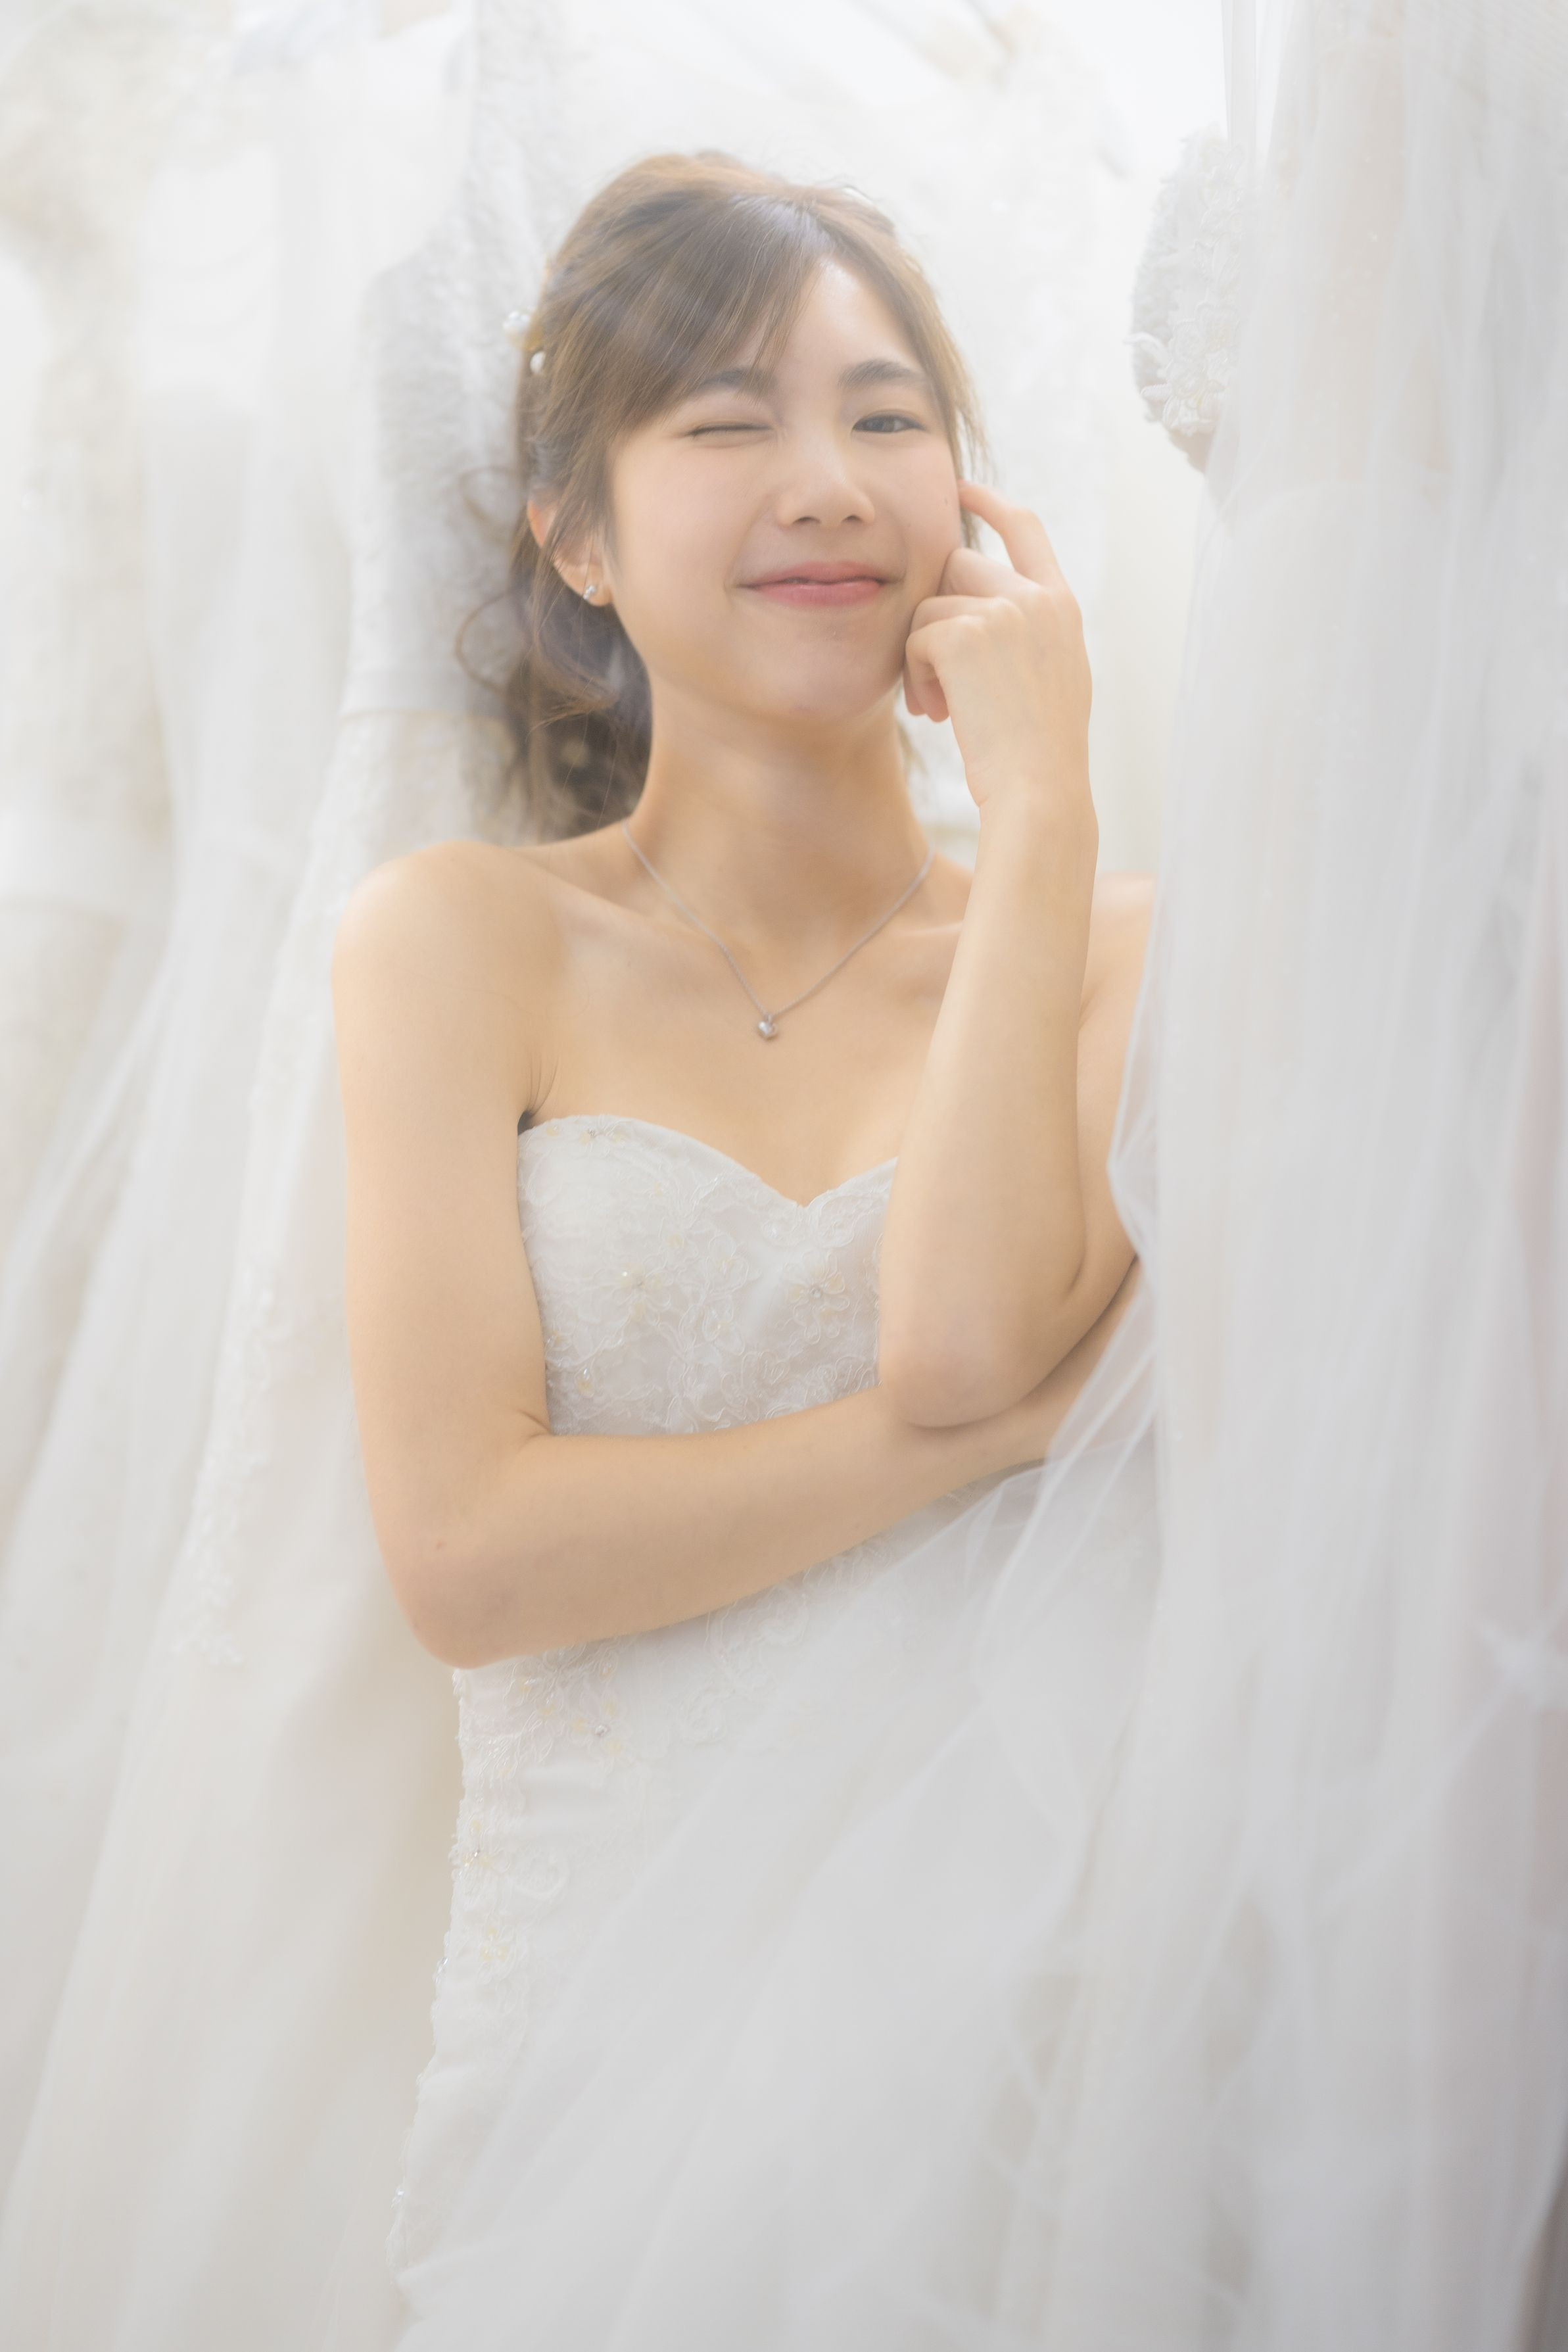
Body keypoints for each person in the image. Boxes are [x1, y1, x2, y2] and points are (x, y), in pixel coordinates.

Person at [330, 150, 1152, 2338]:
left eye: (886, 417)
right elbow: (468, 1554)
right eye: (725, 422)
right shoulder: (461, 942)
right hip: (599, 2029)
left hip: (1027, 1989)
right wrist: (958, 1452)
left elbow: (962, 1330)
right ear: (575, 532)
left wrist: (1044, 805)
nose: (826, 483)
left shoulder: (1116, 945)